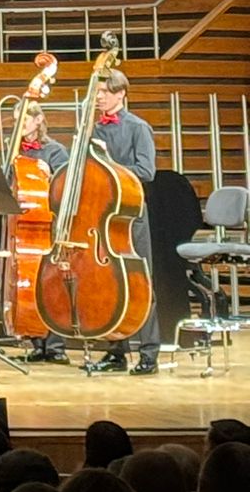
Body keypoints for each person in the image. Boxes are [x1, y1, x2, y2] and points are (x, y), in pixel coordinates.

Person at [68, 68, 161, 374]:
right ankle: (116, 351)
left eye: (105, 93)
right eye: (97, 94)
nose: (100, 98)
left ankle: (149, 354)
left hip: (129, 216)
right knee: (111, 286)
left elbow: (146, 172)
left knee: (139, 284)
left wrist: (109, 162)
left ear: (121, 93)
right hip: (100, 218)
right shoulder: (93, 129)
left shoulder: (138, 127)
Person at [15, 100, 75, 364]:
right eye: (17, 120)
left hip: (50, 224)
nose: (21, 124)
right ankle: (36, 341)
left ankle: (56, 344)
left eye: (25, 119)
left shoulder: (56, 151)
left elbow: (68, 188)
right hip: (23, 226)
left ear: (39, 121)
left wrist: (50, 174)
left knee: (51, 285)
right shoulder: (13, 151)